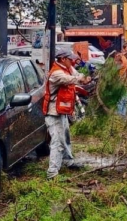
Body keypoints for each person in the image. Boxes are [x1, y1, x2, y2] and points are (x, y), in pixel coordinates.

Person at [42, 49, 91, 179]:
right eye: (70, 59)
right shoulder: (56, 73)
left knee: (66, 137)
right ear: (63, 59)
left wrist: (85, 77)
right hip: (53, 113)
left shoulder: (67, 68)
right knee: (57, 142)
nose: (73, 61)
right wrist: (82, 79)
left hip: (61, 111)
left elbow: (77, 74)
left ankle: (68, 161)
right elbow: (71, 79)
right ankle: (52, 173)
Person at [112, 50, 127, 117]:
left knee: (120, 102)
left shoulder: (122, 60)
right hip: (126, 84)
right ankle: (123, 118)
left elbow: (115, 68)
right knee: (124, 102)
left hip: (121, 84)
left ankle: (119, 118)